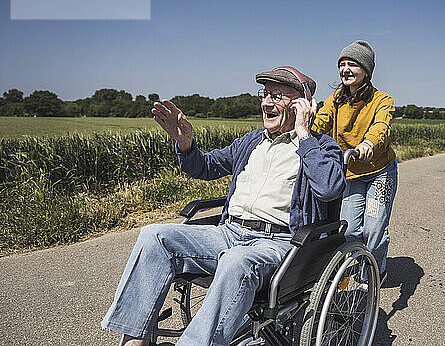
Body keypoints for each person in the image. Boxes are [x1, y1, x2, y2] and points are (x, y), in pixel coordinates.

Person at [101, 67, 345, 346]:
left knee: (236, 260)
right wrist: (186, 143)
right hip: (228, 233)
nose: (266, 102)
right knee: (154, 236)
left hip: (277, 243)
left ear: (303, 105)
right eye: (265, 94)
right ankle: (135, 341)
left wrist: (304, 134)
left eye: (277, 96)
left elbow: (329, 188)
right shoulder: (251, 142)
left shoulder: (321, 146)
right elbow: (205, 166)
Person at [312, 40, 397, 282]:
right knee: (349, 229)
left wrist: (369, 144)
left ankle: (374, 274)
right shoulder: (335, 99)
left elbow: (381, 127)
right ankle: (357, 269)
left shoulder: (382, 100)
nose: (346, 69)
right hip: (351, 172)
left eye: (353, 64)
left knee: (373, 229)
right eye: (342, 64)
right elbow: (321, 122)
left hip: (380, 171)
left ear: (366, 71)